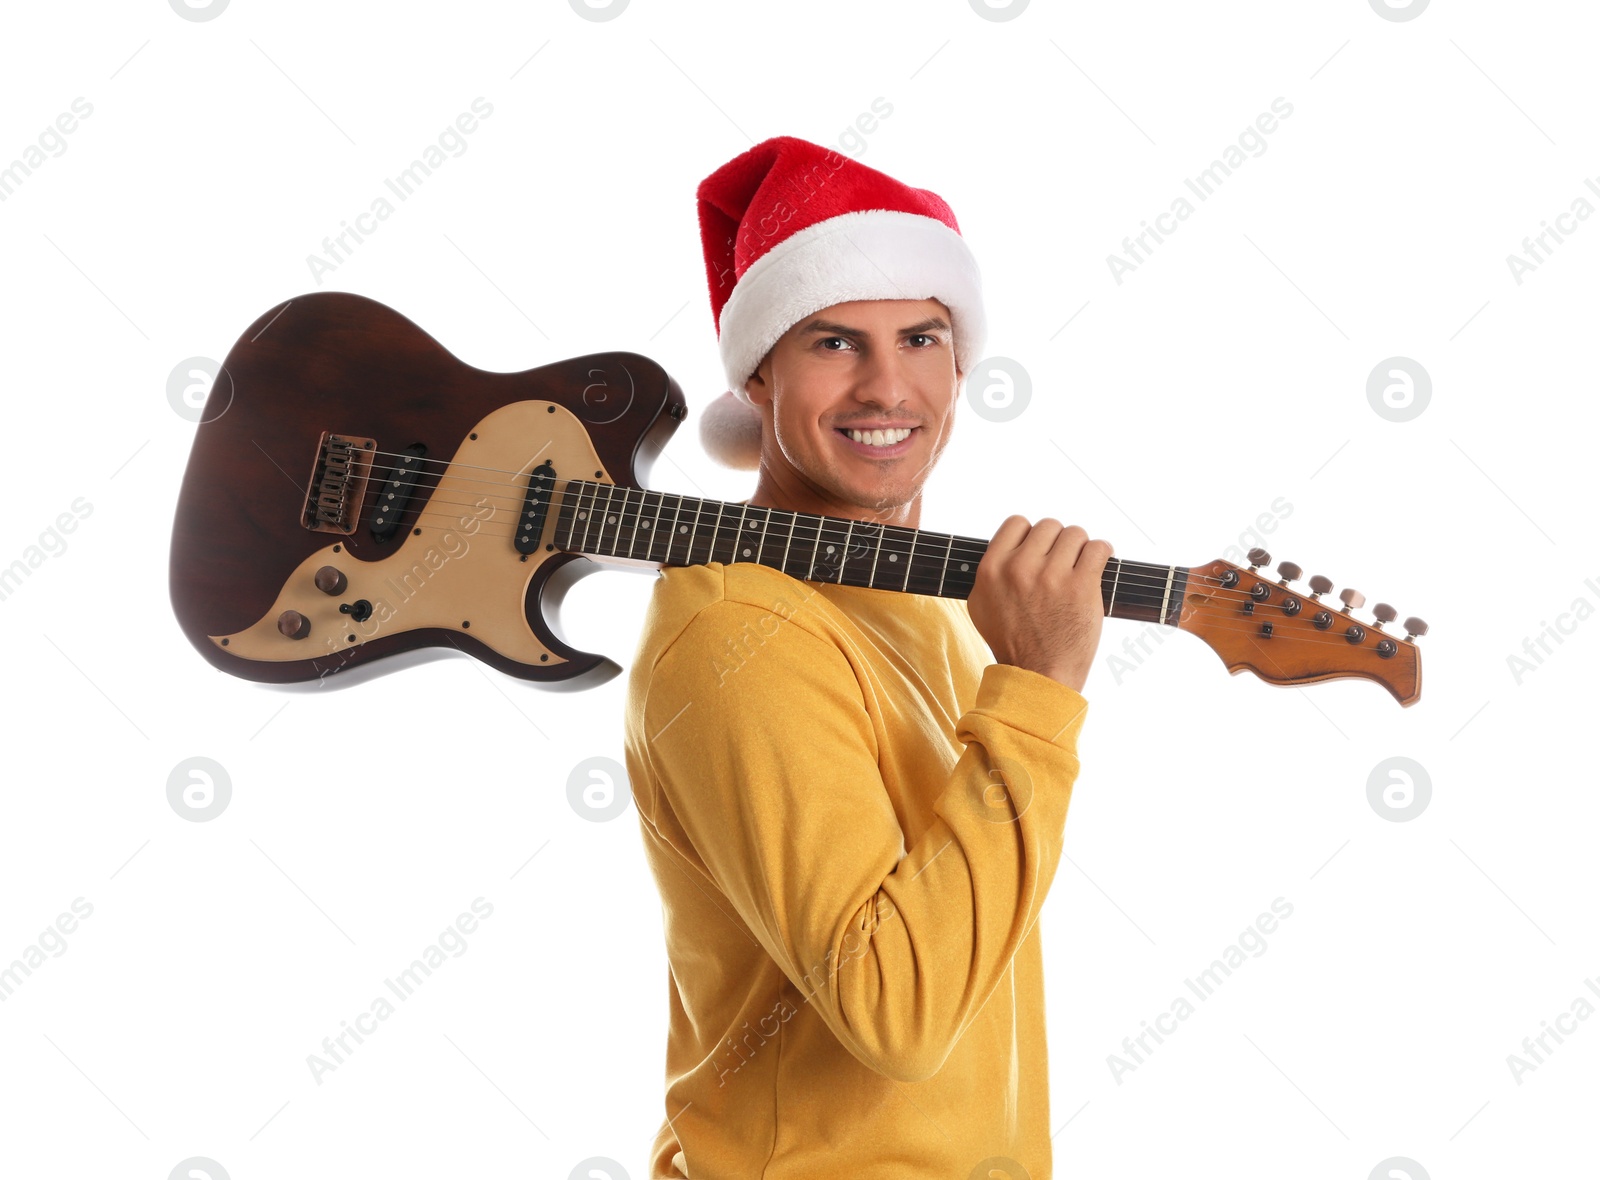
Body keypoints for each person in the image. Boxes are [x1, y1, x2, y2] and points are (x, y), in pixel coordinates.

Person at [621, 135, 1113, 1179]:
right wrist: (1031, 695)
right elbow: (895, 1009)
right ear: (758, 374)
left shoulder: (932, 617)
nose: (888, 387)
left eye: (922, 339)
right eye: (834, 342)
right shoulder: (733, 629)